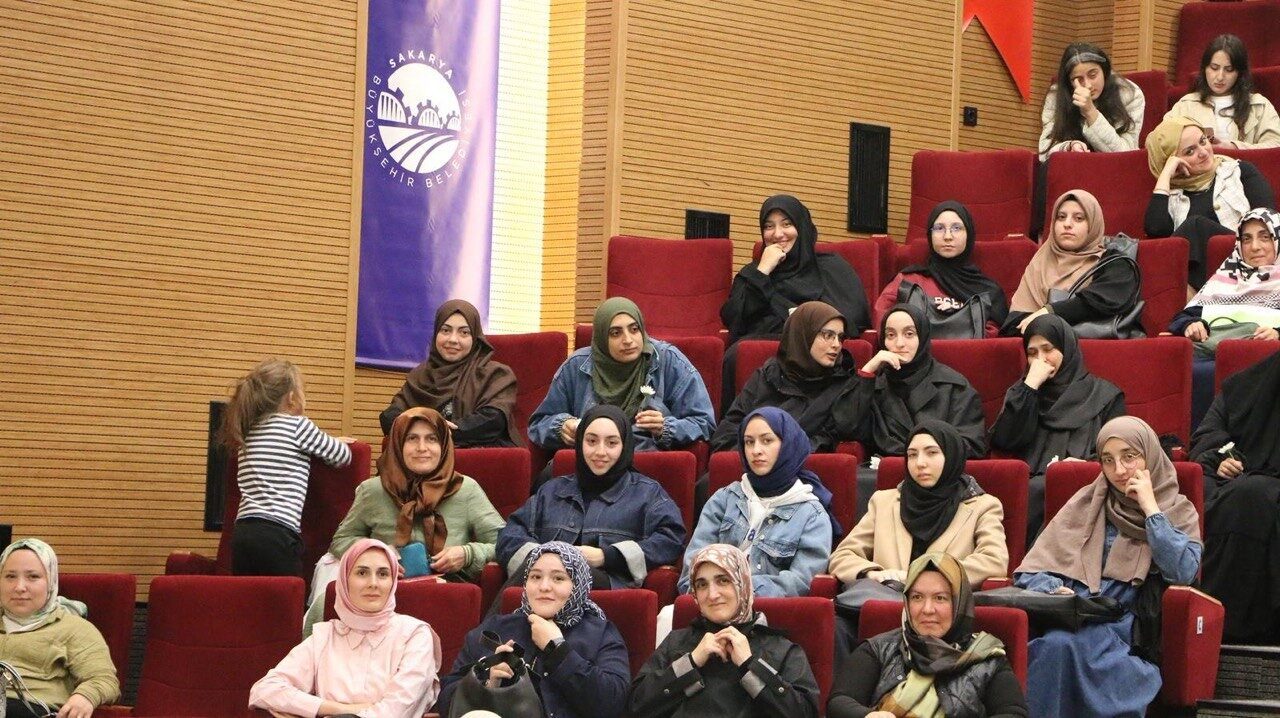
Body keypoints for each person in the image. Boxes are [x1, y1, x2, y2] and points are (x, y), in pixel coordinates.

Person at [1014, 416, 1201, 718]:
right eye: (1108, 460)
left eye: (1129, 457)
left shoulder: (1177, 509)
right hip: (1072, 616)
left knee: (1059, 646)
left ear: (1150, 455)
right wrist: (1053, 588)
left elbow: (1183, 571)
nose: (1120, 470)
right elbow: (1031, 571)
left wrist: (1151, 509)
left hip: (1125, 632)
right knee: (1055, 645)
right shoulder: (1085, 503)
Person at [305, 408, 504, 633]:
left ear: (444, 445)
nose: (422, 447)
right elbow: (342, 540)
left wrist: (467, 553)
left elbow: (504, 543)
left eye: (432, 439)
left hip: (445, 591)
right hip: (382, 588)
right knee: (326, 604)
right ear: (398, 444)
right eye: (412, 439)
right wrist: (378, 554)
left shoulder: (466, 489)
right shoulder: (374, 490)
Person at [497, 405, 685, 589]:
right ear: (580, 443)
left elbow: (671, 539)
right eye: (592, 441)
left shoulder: (647, 493)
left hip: (606, 591)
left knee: (561, 571)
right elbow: (509, 536)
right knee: (548, 569)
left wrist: (606, 556)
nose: (600, 452)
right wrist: (545, 557)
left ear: (625, 446)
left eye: (612, 443)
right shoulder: (551, 490)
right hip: (544, 588)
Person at [249, 539, 442, 718]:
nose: (373, 583)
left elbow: (395, 711)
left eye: (383, 574)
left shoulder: (415, 634)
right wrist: (339, 710)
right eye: (362, 573)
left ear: (393, 582)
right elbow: (264, 690)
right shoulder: (325, 636)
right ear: (344, 579)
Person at [435, 542, 630, 718]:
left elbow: (612, 704)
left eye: (558, 578)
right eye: (535, 577)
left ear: (578, 585)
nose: (544, 587)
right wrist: (486, 683)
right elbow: (446, 700)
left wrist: (559, 650)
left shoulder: (601, 633)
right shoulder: (496, 628)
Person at [628, 543, 821, 718]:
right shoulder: (677, 642)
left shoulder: (781, 649)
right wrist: (691, 662)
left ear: (742, 584)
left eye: (723, 581)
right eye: (702, 585)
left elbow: (805, 713)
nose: (712, 595)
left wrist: (750, 665)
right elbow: (636, 707)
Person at [827, 552, 1028, 718]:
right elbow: (839, 701)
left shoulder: (986, 658)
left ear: (959, 603)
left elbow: (1013, 713)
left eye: (940, 598)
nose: (927, 609)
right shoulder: (880, 649)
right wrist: (868, 716)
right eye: (917, 597)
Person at [829, 420, 1009, 591]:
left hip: (943, 605)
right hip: (886, 599)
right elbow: (842, 556)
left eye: (932, 453)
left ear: (952, 455)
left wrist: (926, 575)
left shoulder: (983, 506)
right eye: (912, 455)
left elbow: (994, 561)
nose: (920, 463)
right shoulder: (883, 502)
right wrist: (873, 574)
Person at [989, 315, 1126, 538]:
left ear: (1066, 348)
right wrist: (1030, 387)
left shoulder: (1105, 395)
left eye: (1048, 349)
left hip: (1085, 486)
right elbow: (1005, 441)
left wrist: (1085, 467)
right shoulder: (1021, 393)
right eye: (1032, 353)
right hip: (1031, 491)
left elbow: (1118, 451)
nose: (1040, 360)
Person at [679, 407, 834, 597]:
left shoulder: (812, 515)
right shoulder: (724, 499)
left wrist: (739, 590)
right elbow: (692, 567)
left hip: (768, 610)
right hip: (710, 602)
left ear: (788, 446)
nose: (756, 451)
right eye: (749, 442)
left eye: (767, 441)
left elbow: (800, 583)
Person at [527, 297, 715, 454]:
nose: (628, 340)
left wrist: (665, 428)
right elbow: (538, 424)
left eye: (634, 329)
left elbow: (704, 423)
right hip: (592, 462)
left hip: (645, 460)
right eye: (615, 333)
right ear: (602, 337)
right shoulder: (576, 366)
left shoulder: (669, 361)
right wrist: (561, 427)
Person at [221, 357, 353, 577]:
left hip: (243, 532)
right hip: (278, 533)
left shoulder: (247, 430)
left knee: (247, 594)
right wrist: (335, 441)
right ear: (292, 398)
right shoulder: (297, 426)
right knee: (287, 594)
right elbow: (342, 456)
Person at [1193, 350, 1280, 644]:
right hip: (1235, 481)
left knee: (1253, 496)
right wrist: (1222, 458)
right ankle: (1209, 623)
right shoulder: (1243, 386)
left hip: (1258, 491)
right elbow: (1207, 436)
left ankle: (1229, 626)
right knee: (1235, 495)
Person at [1145, 116, 1276, 288]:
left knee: (1195, 226)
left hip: (1248, 260)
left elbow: (1268, 219)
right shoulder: (1170, 197)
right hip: (1202, 280)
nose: (1204, 152)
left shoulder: (1239, 171)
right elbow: (1155, 231)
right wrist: (1165, 174)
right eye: (1189, 152)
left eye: (1203, 141)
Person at [721, 194, 871, 344]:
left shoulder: (831, 267)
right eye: (769, 226)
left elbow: (853, 319)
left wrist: (800, 321)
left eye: (787, 224)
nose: (777, 234)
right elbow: (733, 320)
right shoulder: (752, 273)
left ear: (801, 227)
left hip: (816, 353)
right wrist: (762, 272)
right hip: (760, 351)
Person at [712, 301, 859, 453]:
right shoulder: (767, 376)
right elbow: (725, 435)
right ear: (803, 335)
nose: (836, 344)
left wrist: (778, 452)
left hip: (803, 464)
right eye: (828, 335)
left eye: (840, 337)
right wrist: (753, 453)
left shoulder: (843, 385)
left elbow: (826, 440)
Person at [842, 304, 986, 459]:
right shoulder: (874, 386)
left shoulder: (954, 386)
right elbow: (847, 427)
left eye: (909, 334)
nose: (899, 343)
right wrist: (868, 370)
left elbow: (973, 445)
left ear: (922, 337)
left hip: (939, 470)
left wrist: (925, 453)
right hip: (889, 469)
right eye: (890, 335)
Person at [0, 539, 120, 718]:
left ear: (51, 582)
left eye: (33, 577)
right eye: (10, 576)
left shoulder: (75, 628)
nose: (19, 587)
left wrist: (84, 697)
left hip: (31, 710)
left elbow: (104, 680)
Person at [379, 299, 522, 447]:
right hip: (424, 452)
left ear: (475, 338)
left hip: (479, 452)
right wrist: (428, 431)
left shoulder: (495, 374)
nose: (453, 339)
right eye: (446, 330)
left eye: (464, 332)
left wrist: (437, 431)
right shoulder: (420, 375)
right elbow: (389, 417)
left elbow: (493, 421)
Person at [1002, 189, 1139, 337]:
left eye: (1079, 218)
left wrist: (1049, 312)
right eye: (1061, 217)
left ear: (1093, 224)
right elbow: (1013, 324)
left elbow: (1104, 300)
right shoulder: (1040, 262)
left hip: (1097, 346)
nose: (1067, 224)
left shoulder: (1113, 261)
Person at [874, 201, 1009, 332]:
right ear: (930, 235)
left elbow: (994, 335)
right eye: (939, 228)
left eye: (957, 228)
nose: (947, 236)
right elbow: (883, 321)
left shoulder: (989, 291)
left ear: (969, 234)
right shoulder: (908, 281)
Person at [1168, 207, 1280, 347]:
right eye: (1246, 239)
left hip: (1267, 355)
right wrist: (1191, 324)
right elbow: (1182, 318)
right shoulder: (1227, 277)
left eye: (1265, 237)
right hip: (1213, 353)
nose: (1254, 247)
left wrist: (1277, 333)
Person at [1166, 34, 1280, 151]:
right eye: (1214, 68)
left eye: (1229, 70)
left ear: (1240, 73)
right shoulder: (1186, 104)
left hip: (1243, 162)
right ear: (1205, 68)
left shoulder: (1259, 105)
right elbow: (1161, 141)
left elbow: (1276, 146)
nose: (1220, 77)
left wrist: (1234, 147)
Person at [1038, 42, 1144, 159]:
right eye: (1078, 79)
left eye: (1093, 75)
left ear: (1104, 71)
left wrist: (1090, 111)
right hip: (1072, 165)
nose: (1088, 85)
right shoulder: (1056, 96)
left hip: (1113, 167)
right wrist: (1068, 147)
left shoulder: (1129, 94)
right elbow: (1044, 151)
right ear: (1069, 82)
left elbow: (1126, 155)